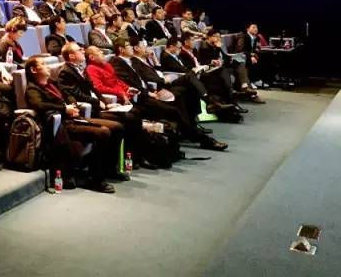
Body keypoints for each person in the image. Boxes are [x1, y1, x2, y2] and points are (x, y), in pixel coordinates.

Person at [109, 37, 228, 151]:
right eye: (128, 46)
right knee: (174, 111)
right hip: (141, 99)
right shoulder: (117, 63)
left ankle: (194, 125)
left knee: (186, 91)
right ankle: (203, 139)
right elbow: (131, 84)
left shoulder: (130, 61)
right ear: (121, 49)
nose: (131, 48)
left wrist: (152, 89)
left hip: (151, 91)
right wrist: (149, 93)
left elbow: (143, 79)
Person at [24, 56, 116, 193]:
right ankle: (96, 180)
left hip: (73, 118)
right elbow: (39, 105)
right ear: (33, 70)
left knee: (115, 127)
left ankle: (107, 169)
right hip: (62, 125)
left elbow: (67, 95)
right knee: (103, 132)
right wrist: (65, 109)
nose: (48, 66)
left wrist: (72, 104)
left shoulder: (52, 83)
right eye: (43, 64)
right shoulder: (32, 89)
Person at [77, 44, 150, 167]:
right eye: (99, 52)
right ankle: (130, 156)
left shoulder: (107, 65)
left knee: (137, 114)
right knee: (131, 117)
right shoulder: (91, 69)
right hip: (109, 102)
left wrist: (127, 88)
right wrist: (121, 93)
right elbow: (99, 88)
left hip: (120, 98)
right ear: (92, 57)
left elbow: (117, 81)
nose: (103, 53)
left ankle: (137, 154)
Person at [159, 37, 235, 114]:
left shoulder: (174, 54)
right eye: (179, 47)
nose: (180, 49)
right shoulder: (166, 56)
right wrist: (194, 70)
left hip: (187, 75)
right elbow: (178, 69)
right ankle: (209, 100)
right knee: (198, 77)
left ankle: (224, 102)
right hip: (177, 78)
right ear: (171, 46)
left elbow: (185, 66)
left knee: (216, 75)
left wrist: (196, 68)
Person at [197, 29, 263, 102]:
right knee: (227, 69)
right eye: (216, 36)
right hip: (214, 68)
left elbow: (224, 56)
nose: (218, 39)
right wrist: (218, 48)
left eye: (219, 37)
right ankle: (241, 92)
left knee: (240, 63)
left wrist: (230, 59)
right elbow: (208, 60)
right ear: (209, 37)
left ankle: (244, 86)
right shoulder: (205, 47)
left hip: (223, 63)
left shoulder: (215, 44)